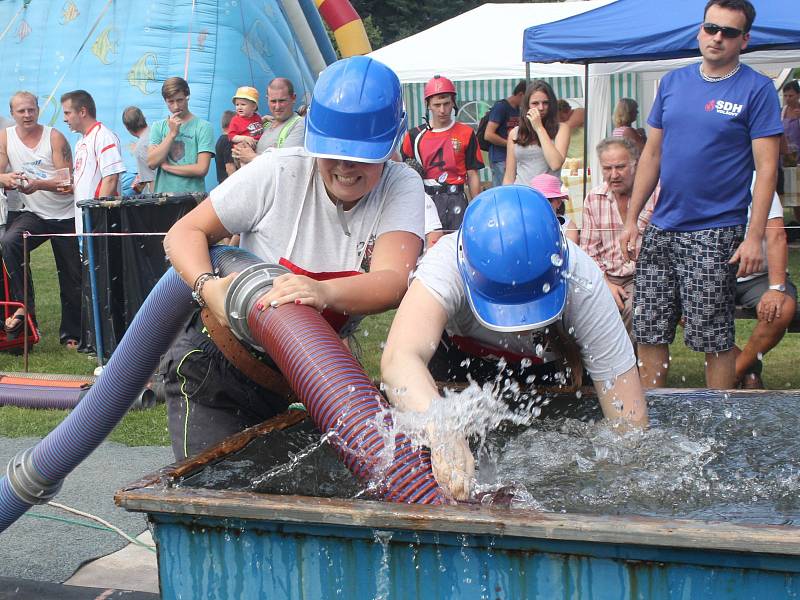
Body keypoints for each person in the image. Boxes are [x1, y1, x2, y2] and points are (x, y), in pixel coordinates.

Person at [160, 56, 424, 461]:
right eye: (333, 152)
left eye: (362, 155)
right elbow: (184, 232)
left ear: (391, 146)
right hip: (218, 368)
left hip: (305, 378)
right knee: (215, 502)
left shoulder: (400, 184)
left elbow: (393, 279)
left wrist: (322, 291)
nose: (346, 166)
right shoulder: (279, 172)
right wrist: (207, 287)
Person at [381, 185, 648, 500]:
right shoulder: (445, 265)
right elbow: (399, 360)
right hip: (458, 368)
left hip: (552, 374)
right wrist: (441, 428)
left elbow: (630, 421)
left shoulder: (583, 282)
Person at [620, 0, 783, 390]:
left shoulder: (757, 89)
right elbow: (652, 155)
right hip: (662, 227)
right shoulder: (672, 83)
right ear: (700, 31)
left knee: (714, 338)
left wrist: (753, 236)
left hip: (716, 232)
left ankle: (718, 427)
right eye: (711, 28)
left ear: (744, 40)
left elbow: (767, 171)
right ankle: (651, 421)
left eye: (728, 32)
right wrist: (631, 219)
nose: (717, 38)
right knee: (650, 331)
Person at [0, 91, 82, 347]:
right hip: (34, 214)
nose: (27, 115)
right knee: (10, 242)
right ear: (12, 113)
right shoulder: (6, 136)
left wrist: (38, 184)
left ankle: (72, 333)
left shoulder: (54, 136)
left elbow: (67, 182)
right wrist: (6, 179)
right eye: (21, 111)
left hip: (65, 214)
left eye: (31, 110)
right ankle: (25, 311)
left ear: (38, 110)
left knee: (71, 275)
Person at [580, 137, 656, 343]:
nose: (613, 175)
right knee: (577, 307)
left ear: (635, 164)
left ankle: (625, 370)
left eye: (620, 167)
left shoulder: (654, 194)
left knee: (634, 306)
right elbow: (588, 252)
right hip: (604, 276)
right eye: (607, 168)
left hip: (644, 275)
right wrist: (606, 284)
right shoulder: (594, 198)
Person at [735, 180, 797, 388]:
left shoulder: (756, 180)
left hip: (759, 276)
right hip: (713, 274)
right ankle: (748, 368)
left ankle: (733, 372)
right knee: (675, 304)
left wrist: (776, 288)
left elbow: (777, 235)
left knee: (781, 308)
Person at [400, 75, 483, 231]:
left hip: (457, 199)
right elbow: (401, 174)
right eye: (437, 105)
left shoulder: (467, 133)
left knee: (456, 248)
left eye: (446, 104)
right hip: (425, 201)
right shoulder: (413, 136)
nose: (442, 110)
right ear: (427, 105)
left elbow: (473, 174)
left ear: (453, 102)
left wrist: (477, 207)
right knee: (427, 251)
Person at [62, 90, 126, 232]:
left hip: (98, 223)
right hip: (85, 221)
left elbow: (110, 179)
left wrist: (99, 219)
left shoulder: (103, 136)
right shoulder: (81, 141)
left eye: (67, 113)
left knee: (101, 255)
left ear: (82, 112)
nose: (65, 119)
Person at [147, 76, 214, 193]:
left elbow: (202, 168)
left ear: (187, 97)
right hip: (164, 200)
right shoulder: (158, 126)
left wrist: (168, 167)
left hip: (193, 198)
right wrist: (172, 134)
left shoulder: (203, 126)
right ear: (165, 101)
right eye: (171, 102)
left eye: (180, 100)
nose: (176, 106)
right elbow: (152, 163)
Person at [503, 81, 569, 185]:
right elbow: (509, 176)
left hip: (548, 197)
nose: (541, 108)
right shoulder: (515, 133)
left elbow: (555, 164)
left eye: (545, 103)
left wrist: (539, 128)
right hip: (522, 194)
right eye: (535, 103)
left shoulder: (561, 129)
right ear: (527, 106)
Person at [235, 77, 305, 165]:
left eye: (282, 101)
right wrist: (240, 152)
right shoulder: (265, 125)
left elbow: (288, 164)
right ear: (267, 99)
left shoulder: (300, 124)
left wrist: (251, 157)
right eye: (273, 101)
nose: (277, 106)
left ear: (293, 98)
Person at [482, 81, 525, 188]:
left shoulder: (518, 109)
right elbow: (488, 134)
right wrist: (510, 144)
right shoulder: (501, 107)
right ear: (521, 94)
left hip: (511, 158)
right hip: (500, 158)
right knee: (503, 190)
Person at [529, 173, 578, 244]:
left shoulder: (568, 227)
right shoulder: (525, 224)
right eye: (537, 200)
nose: (542, 204)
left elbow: (571, 253)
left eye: (548, 200)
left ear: (558, 202)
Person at [121, 106, 155, 194]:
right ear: (144, 118)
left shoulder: (140, 147)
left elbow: (151, 179)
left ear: (127, 128)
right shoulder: (157, 132)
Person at [780, 80, 800, 223]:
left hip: (799, 159)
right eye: (785, 95)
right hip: (787, 159)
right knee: (792, 197)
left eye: (791, 95)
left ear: (798, 95)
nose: (787, 98)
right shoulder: (783, 111)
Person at [557, 98, 586, 168]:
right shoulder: (561, 123)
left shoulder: (580, 112)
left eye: (561, 117)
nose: (559, 120)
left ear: (568, 110)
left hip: (583, 160)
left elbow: (566, 126)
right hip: (569, 162)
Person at [214, 110, 235, 184]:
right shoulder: (228, 141)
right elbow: (230, 167)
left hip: (222, 182)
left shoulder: (221, 139)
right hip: (228, 183)